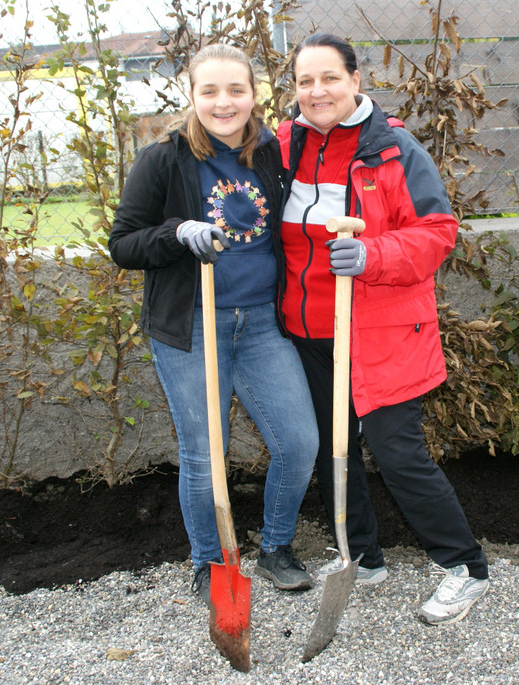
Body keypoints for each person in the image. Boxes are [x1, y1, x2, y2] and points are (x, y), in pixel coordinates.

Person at [276, 33, 489, 625]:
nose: (317, 92)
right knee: (332, 449)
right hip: (310, 330)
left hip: (383, 329)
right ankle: (361, 556)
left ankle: (465, 567)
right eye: (304, 81)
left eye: (329, 78)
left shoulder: (392, 148)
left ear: (355, 80)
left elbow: (437, 231)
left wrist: (372, 255)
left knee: (397, 453)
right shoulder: (286, 145)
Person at [109, 43, 318, 598]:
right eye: (210, 91)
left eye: (236, 90)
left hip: (261, 326)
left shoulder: (272, 152)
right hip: (193, 327)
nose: (224, 103)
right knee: (206, 452)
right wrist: (177, 233)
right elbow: (123, 244)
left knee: (299, 442)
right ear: (192, 95)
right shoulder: (164, 158)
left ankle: (276, 547)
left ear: (254, 94)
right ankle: (211, 562)